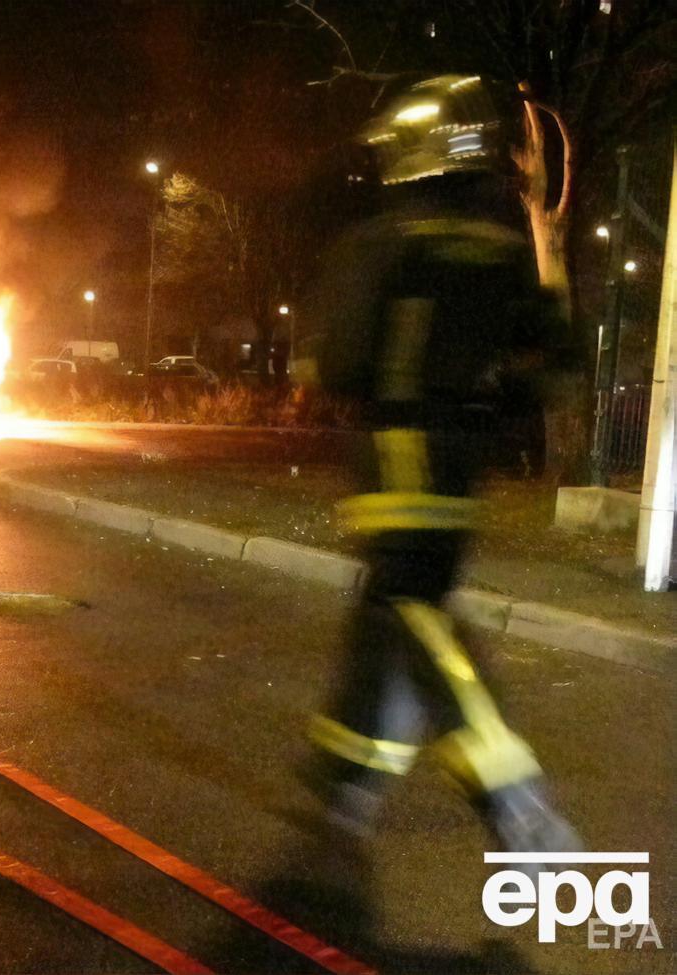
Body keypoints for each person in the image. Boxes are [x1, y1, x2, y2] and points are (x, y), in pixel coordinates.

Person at [293, 75, 580, 928]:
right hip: (462, 470)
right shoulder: (495, 247)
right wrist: (544, 233)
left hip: (396, 463)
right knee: (389, 617)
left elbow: (335, 363)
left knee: (411, 614)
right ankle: (344, 789)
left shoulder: (386, 241)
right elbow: (555, 368)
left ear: (410, 150)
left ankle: (515, 799)